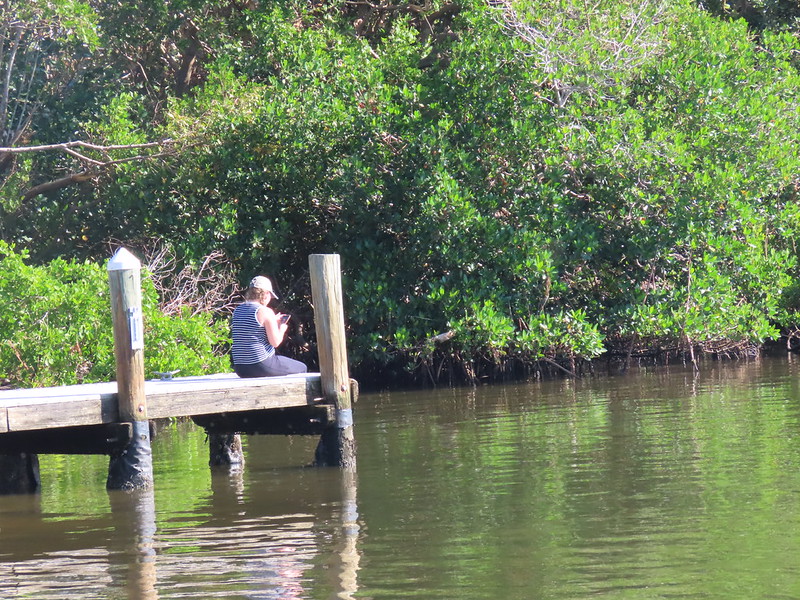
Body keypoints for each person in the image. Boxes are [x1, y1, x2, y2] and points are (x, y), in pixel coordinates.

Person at [231, 275, 307, 377]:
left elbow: (251, 329)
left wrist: (272, 320)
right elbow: (275, 342)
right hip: (260, 364)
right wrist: (282, 328)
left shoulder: (237, 310)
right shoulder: (265, 311)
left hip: (240, 368)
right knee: (302, 368)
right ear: (266, 294)